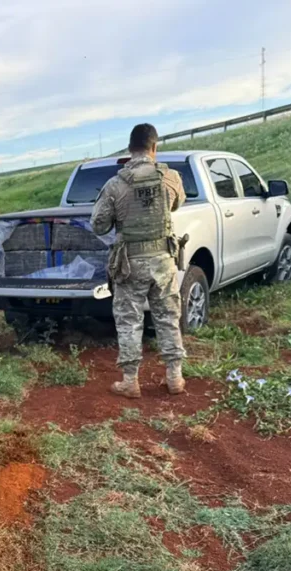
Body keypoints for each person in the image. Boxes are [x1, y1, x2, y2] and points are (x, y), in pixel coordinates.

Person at [91, 123, 187, 398]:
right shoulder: (171, 178)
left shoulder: (115, 184)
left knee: (129, 320)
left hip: (130, 264)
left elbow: (98, 225)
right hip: (163, 260)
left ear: (129, 149)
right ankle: (175, 377)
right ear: (154, 147)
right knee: (168, 317)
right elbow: (177, 203)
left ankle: (130, 382)